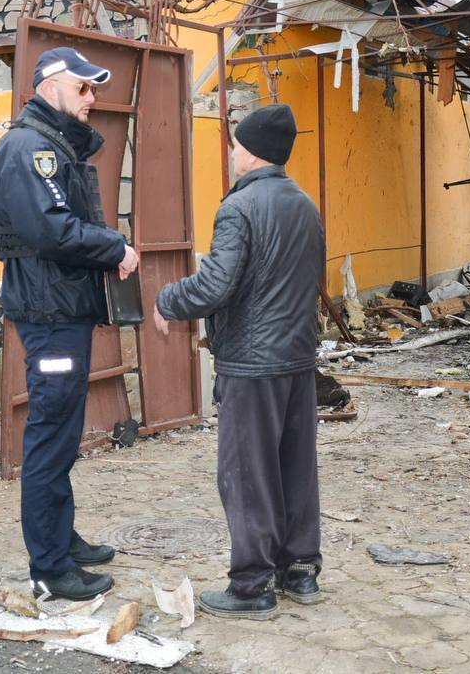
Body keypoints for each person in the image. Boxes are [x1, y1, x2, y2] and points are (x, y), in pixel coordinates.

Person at [152, 104, 325, 620]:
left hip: (252, 365)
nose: (230, 152)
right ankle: (301, 571)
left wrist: (167, 300)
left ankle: (251, 586)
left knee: (248, 474)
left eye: (234, 144)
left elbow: (214, 284)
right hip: (297, 358)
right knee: (295, 468)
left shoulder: (239, 208)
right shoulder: (305, 203)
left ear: (250, 152)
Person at [0, 46, 139, 601]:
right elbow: (54, 231)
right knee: (51, 435)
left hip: (60, 308)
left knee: (63, 432)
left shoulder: (46, 145)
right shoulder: (30, 149)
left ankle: (60, 537)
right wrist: (115, 246)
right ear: (50, 87)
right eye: (83, 89)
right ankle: (50, 567)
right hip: (49, 314)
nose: (92, 100)